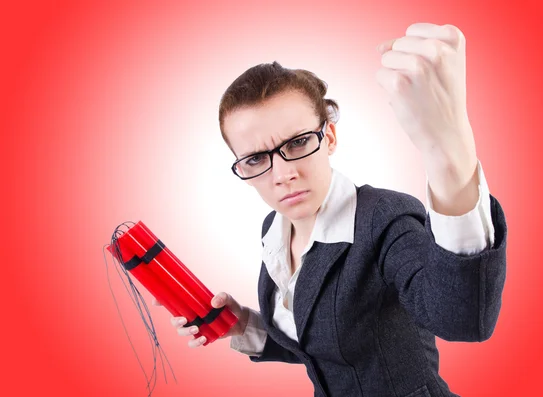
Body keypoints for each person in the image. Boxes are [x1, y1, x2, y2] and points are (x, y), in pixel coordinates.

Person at [154, 23, 507, 397]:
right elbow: (321, 349)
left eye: (299, 142)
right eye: (256, 159)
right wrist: (240, 325)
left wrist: (450, 154)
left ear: (330, 138)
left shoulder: (385, 218)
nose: (283, 174)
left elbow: (463, 318)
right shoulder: (274, 230)